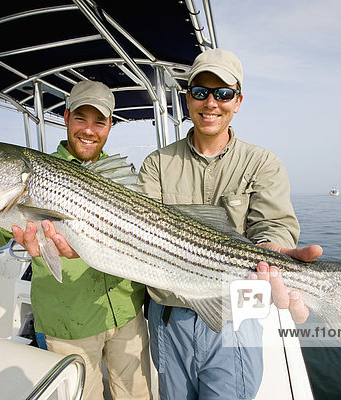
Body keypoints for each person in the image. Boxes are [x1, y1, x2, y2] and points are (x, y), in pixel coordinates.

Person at [0, 80, 151, 400]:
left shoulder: (123, 177)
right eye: (80, 118)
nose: (89, 130)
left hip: (128, 315)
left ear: (109, 126)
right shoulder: (31, 176)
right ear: (65, 118)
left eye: (99, 122)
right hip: (68, 325)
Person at [137, 48, 323, 399]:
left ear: (237, 101)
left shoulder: (262, 162)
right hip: (168, 318)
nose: (211, 103)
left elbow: (273, 225)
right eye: (200, 92)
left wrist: (271, 254)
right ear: (187, 99)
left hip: (234, 317)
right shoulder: (156, 164)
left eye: (223, 94)